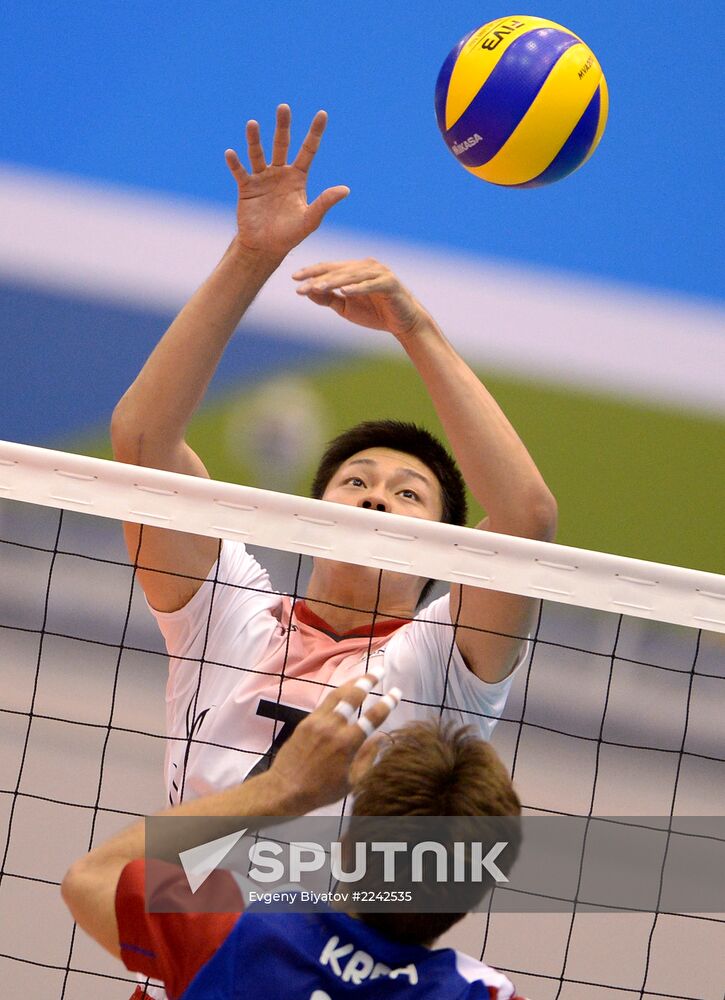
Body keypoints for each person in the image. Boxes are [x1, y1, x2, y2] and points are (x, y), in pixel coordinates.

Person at [110, 105, 557, 805]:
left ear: (446, 550)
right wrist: (252, 255)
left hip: (336, 916)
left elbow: (525, 519)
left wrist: (415, 327)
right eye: (356, 481)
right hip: (189, 905)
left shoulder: (442, 663)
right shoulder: (229, 614)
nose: (376, 496)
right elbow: (143, 441)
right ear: (314, 511)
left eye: (408, 494)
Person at [62, 667, 528, 999]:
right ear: (474, 893)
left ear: (346, 852)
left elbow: (92, 877)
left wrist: (284, 788)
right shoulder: (477, 993)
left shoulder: (238, 935)